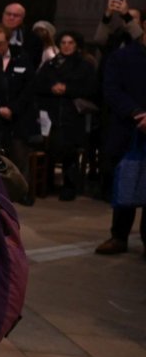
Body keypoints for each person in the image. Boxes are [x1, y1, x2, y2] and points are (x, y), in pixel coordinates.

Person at [94, 30, 146, 254]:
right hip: (128, 127)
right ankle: (119, 236)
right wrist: (136, 112)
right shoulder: (122, 57)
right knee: (126, 181)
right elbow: (111, 90)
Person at [32, 31, 98, 201]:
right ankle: (48, 184)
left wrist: (67, 89)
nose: (67, 46)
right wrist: (52, 89)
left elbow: (91, 89)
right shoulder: (51, 64)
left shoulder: (84, 65)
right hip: (52, 113)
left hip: (74, 115)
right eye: (63, 42)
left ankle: (69, 186)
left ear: (76, 45)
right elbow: (38, 85)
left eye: (70, 42)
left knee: (70, 148)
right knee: (50, 146)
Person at [0, 23, 39, 201]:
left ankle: (22, 192)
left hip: (18, 116)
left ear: (8, 40)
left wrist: (13, 109)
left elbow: (29, 88)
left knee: (20, 154)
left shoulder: (22, 58)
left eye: (0, 43)